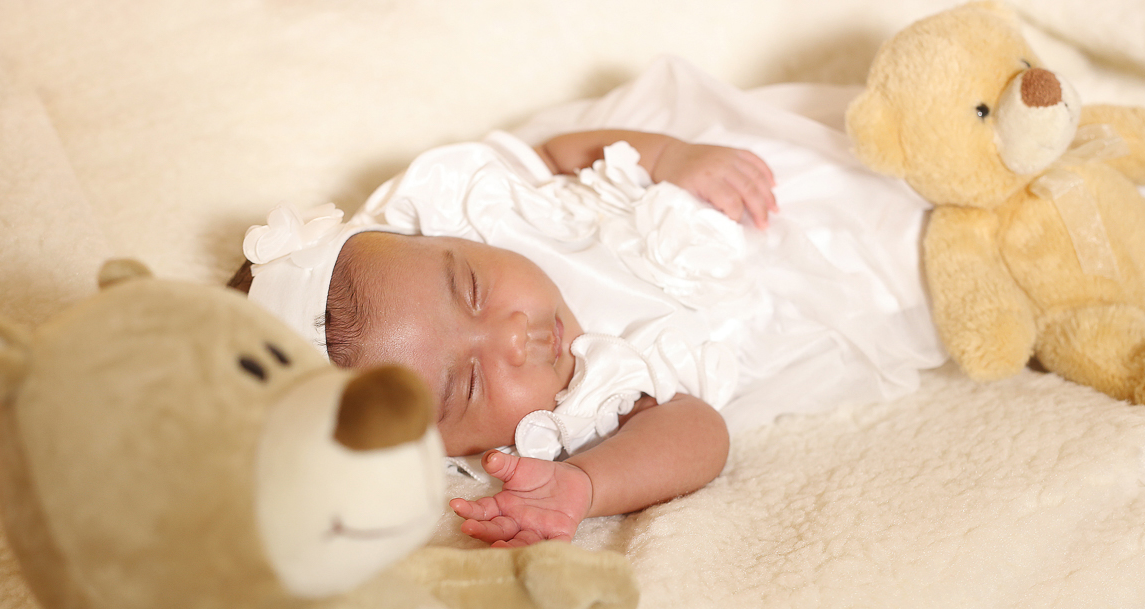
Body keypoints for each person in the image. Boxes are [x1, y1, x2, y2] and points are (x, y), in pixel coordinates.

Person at [230, 57, 945, 547]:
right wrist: (585, 484)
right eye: (471, 382)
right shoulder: (569, 414)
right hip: (788, 306)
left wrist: (669, 159)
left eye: (472, 287)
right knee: (928, 270)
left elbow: (568, 150)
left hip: (731, 189)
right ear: (458, 451)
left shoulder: (506, 212)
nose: (512, 337)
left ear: (441, 233)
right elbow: (701, 434)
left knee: (892, 150)